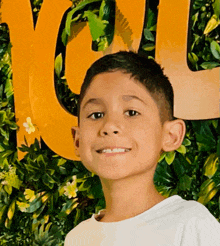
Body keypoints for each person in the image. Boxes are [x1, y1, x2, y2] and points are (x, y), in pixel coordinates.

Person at [64, 51, 220, 245]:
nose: (109, 126)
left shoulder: (190, 224)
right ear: (77, 140)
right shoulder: (77, 238)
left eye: (131, 112)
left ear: (171, 135)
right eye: (96, 115)